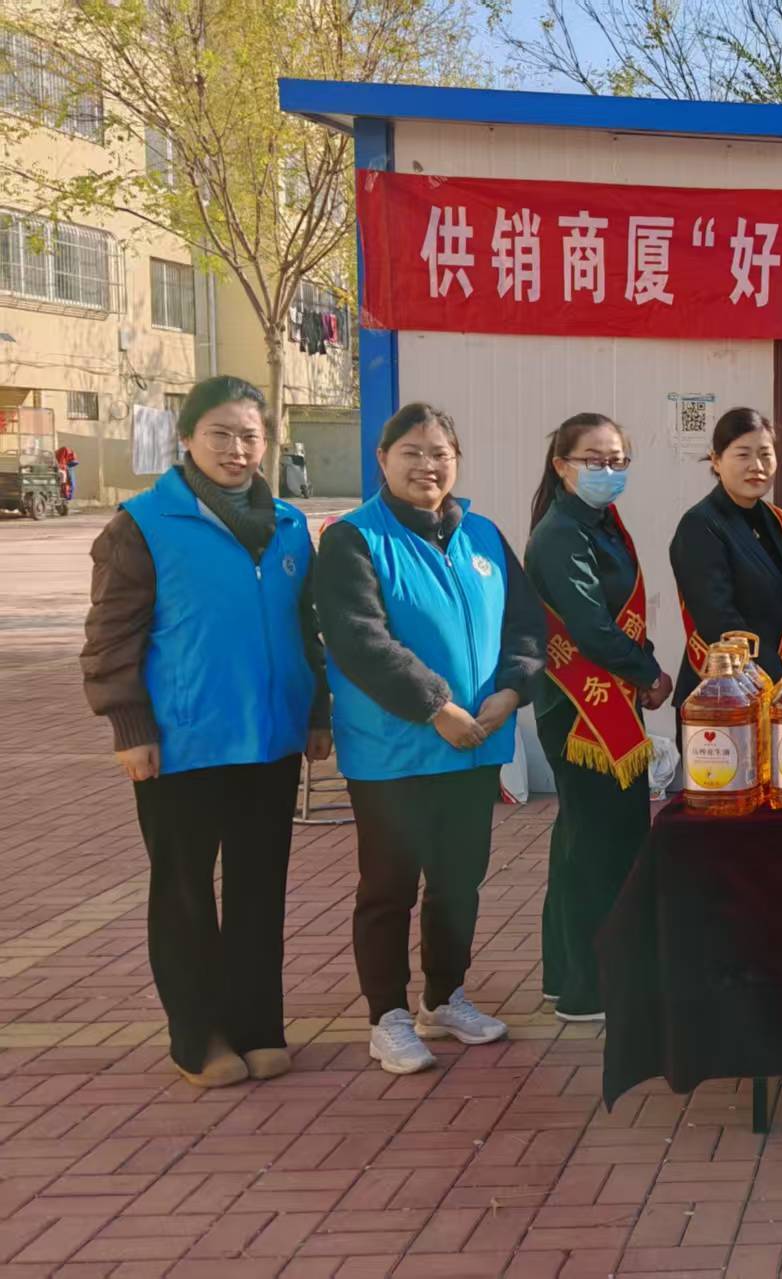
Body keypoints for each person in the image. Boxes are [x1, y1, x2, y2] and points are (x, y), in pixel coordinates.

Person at [80, 374, 331, 1088]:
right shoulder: (141, 525)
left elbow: (307, 629)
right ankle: (197, 1037)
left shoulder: (288, 525)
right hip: (180, 742)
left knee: (259, 889)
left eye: (250, 435)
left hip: (271, 739)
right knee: (185, 890)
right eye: (220, 434)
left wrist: (317, 711)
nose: (236, 449)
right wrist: (129, 726)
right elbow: (110, 639)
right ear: (187, 438)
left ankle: (257, 1027)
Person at [317, 403, 544, 1073]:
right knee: (389, 886)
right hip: (394, 750)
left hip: (475, 743)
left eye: (440, 452)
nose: (427, 465)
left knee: (458, 882)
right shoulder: (354, 539)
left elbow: (526, 625)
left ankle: (444, 998)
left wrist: (513, 689)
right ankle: (386, 1014)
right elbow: (361, 639)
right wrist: (437, 706)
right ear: (383, 459)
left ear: (457, 460)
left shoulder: (483, 534)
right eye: (411, 452)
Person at [524, 413, 667, 1025]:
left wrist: (641, 667)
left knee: (582, 844)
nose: (608, 470)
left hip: (608, 700)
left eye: (617, 460)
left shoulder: (601, 523)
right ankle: (591, 989)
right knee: (599, 849)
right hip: (580, 709)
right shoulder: (562, 532)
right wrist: (649, 672)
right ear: (562, 466)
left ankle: (568, 977)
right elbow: (590, 626)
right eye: (594, 460)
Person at [670, 408, 782, 699]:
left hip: (780, 687)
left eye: (765, 454)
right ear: (716, 461)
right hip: (726, 695)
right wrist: (781, 678)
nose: (757, 466)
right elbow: (719, 621)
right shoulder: (701, 524)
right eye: (743, 455)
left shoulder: (777, 521)